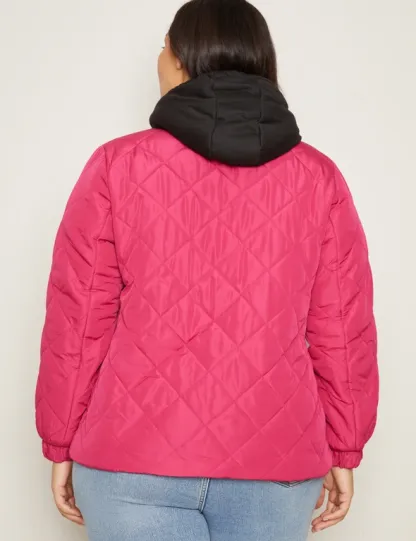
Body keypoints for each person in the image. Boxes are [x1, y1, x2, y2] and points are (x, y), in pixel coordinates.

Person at [35, 0, 379, 539]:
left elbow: (78, 323)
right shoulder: (319, 177)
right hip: (277, 463)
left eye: (163, 48)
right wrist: (345, 444)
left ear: (180, 61)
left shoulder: (117, 165)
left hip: (132, 459)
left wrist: (59, 440)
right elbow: (342, 329)